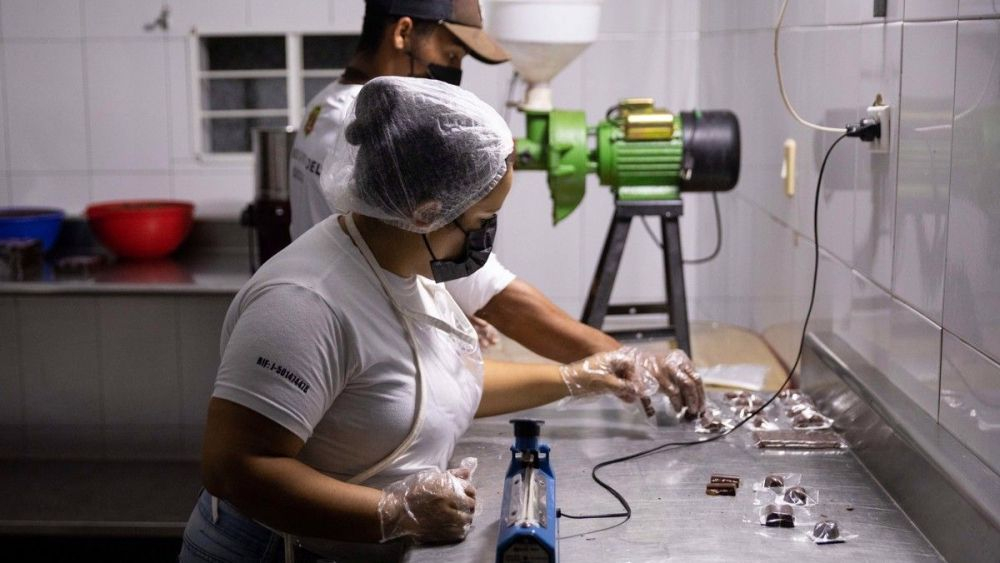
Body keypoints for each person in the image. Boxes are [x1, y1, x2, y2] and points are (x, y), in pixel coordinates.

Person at [179, 77, 695, 563]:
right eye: (483, 221)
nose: (488, 237)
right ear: (426, 212)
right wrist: (391, 512)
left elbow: (425, 385)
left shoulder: (411, 264)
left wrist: (576, 377)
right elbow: (236, 467)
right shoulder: (305, 302)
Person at [288, 0, 706, 416]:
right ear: (403, 33)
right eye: (450, 55)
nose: (453, 72)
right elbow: (491, 294)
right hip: (355, 373)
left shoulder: (326, 106)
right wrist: (625, 358)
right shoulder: (368, 139)